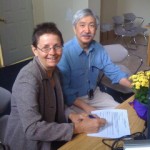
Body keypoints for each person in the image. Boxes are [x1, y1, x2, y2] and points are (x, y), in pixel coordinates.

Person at [4, 22, 106, 150]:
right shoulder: (27, 80)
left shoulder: (55, 71)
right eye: (45, 47)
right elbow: (32, 129)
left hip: (51, 135)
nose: (52, 52)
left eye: (57, 46)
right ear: (35, 50)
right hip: (28, 144)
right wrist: (78, 127)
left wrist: (72, 115)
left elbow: (57, 103)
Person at [58, 8, 132, 114]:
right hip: (74, 101)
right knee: (93, 125)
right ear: (74, 28)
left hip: (95, 95)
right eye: (82, 25)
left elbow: (113, 71)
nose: (87, 30)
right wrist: (87, 108)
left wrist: (136, 88)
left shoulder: (98, 48)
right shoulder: (64, 53)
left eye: (91, 25)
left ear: (95, 29)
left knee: (121, 113)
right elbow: (64, 90)